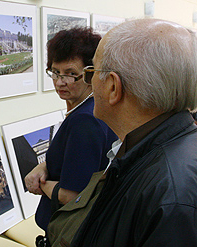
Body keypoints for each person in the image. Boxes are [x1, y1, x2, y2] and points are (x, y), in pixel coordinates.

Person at [48, 18, 197, 247]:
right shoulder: (163, 149)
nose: (91, 82)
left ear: (112, 87)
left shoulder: (169, 195)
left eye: (93, 71)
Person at [24, 27, 117, 236]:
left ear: (90, 73)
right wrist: (45, 166)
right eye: (56, 72)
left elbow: (73, 195)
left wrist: (40, 183)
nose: (59, 82)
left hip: (69, 233)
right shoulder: (93, 109)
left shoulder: (84, 121)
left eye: (71, 74)